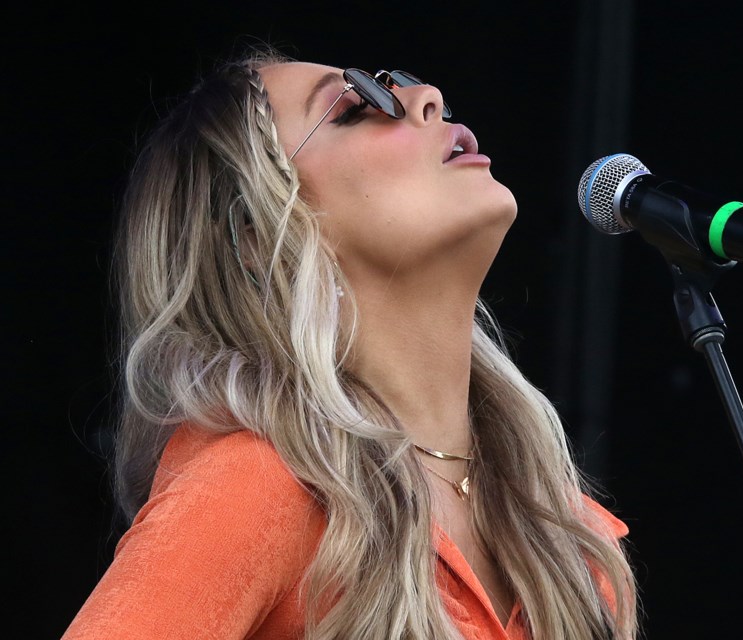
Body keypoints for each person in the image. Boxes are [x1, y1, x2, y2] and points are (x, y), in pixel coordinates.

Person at [62, 47, 639, 639]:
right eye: (353, 107)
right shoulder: (258, 485)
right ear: (260, 238)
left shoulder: (572, 537)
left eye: (400, 85)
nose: (428, 97)